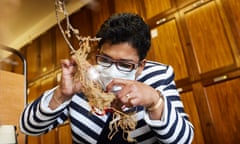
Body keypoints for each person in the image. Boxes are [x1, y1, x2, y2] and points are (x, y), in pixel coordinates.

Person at [20, 13, 194, 144]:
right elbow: (28, 127)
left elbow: (183, 140)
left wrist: (155, 102)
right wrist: (61, 95)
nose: (112, 70)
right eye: (105, 59)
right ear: (98, 53)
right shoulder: (84, 80)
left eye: (125, 64)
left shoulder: (157, 76)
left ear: (141, 65)